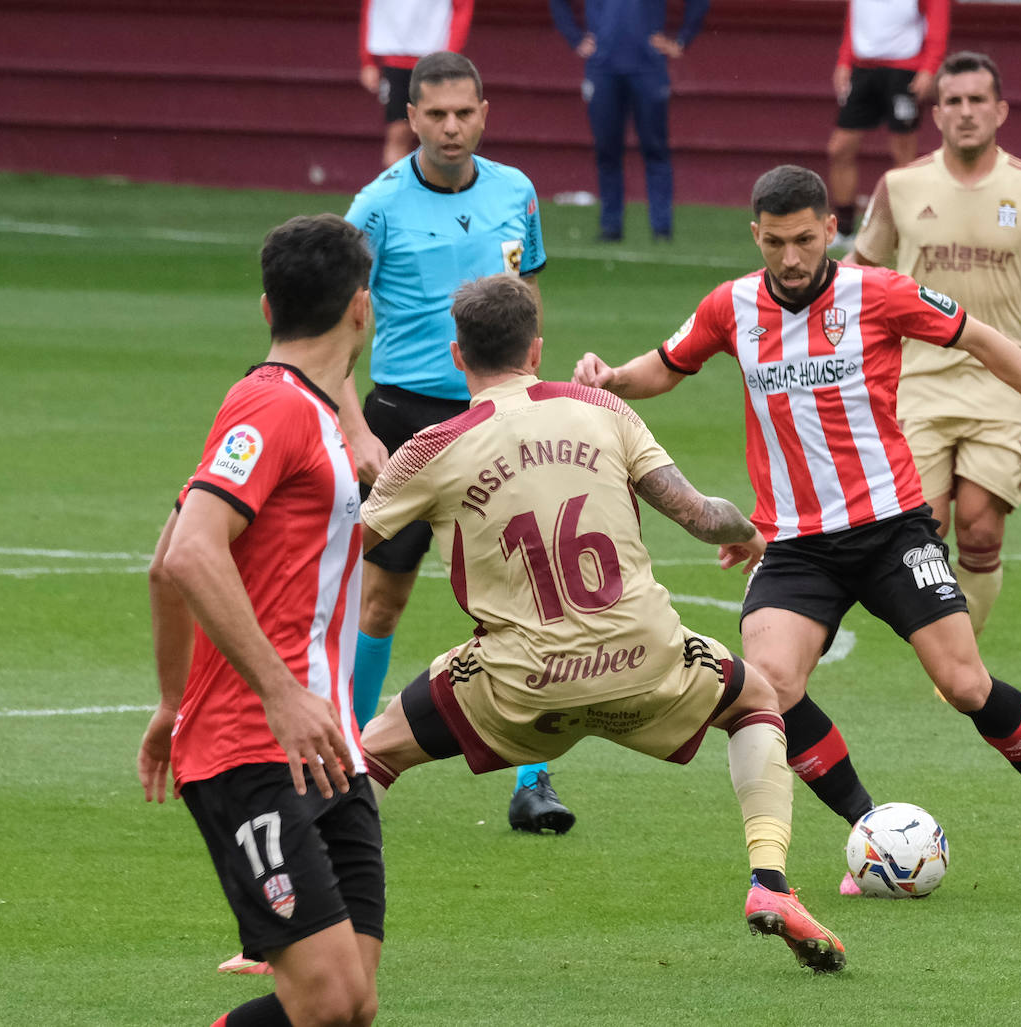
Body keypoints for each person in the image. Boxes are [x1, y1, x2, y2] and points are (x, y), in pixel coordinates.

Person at [573, 164, 1021, 896]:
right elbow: (668, 366)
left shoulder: (878, 293)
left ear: (832, 230)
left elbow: (987, 341)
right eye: (774, 242)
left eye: (803, 240)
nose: (790, 258)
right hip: (796, 546)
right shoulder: (730, 305)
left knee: (962, 682)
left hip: (893, 529)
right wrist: (610, 379)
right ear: (755, 235)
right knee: (769, 687)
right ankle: (872, 833)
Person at [358, 273, 845, 973]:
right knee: (757, 700)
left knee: (371, 753)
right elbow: (702, 515)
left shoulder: (431, 447)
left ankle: (315, 927)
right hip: (646, 663)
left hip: (520, 684)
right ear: (536, 348)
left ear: (457, 356)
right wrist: (749, 533)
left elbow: (347, 550)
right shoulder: (601, 408)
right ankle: (769, 882)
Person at [138, 214, 384, 1023]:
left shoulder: (312, 413)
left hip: (329, 745)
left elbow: (163, 559)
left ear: (266, 307)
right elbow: (190, 554)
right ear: (361, 307)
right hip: (256, 743)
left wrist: (172, 702)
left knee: (349, 1003)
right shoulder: (269, 408)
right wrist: (274, 691)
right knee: (320, 1000)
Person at [340, 51, 574, 833]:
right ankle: (347, 754)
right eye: (434, 114)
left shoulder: (518, 192)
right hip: (405, 416)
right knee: (384, 595)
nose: (449, 127)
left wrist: (540, 384)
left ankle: (534, 780)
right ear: (410, 118)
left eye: (462, 113)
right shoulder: (374, 208)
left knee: (537, 596)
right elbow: (333, 328)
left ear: (484, 112)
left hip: (504, 413)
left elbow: (529, 295)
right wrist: (352, 424)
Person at [850, 50, 1021, 638]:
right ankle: (946, 649)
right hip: (916, 382)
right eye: (953, 101)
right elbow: (858, 268)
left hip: (1005, 381)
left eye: (977, 101)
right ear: (936, 114)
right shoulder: (901, 187)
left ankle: (962, 659)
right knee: (923, 530)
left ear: (1000, 110)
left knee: (981, 528)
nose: (965, 113)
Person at [549, 0, 710, 242]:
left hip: (648, 68)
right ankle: (611, 226)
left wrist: (681, 39)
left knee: (655, 148)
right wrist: (575, 38)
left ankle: (661, 228)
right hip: (603, 68)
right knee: (607, 150)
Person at [827, 0, 950, 250]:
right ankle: (845, 229)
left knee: (903, 154)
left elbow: (938, 19)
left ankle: (902, 231)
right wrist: (844, 60)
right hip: (862, 70)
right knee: (839, 148)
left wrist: (930, 67)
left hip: (905, 71)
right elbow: (856, 20)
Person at [358, 0, 474, 168]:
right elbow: (371, 7)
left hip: (435, 60)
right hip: (395, 58)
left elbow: (463, 8)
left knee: (438, 133)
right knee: (398, 132)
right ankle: (398, 191)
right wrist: (367, 60)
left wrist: (449, 57)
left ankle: (436, 190)